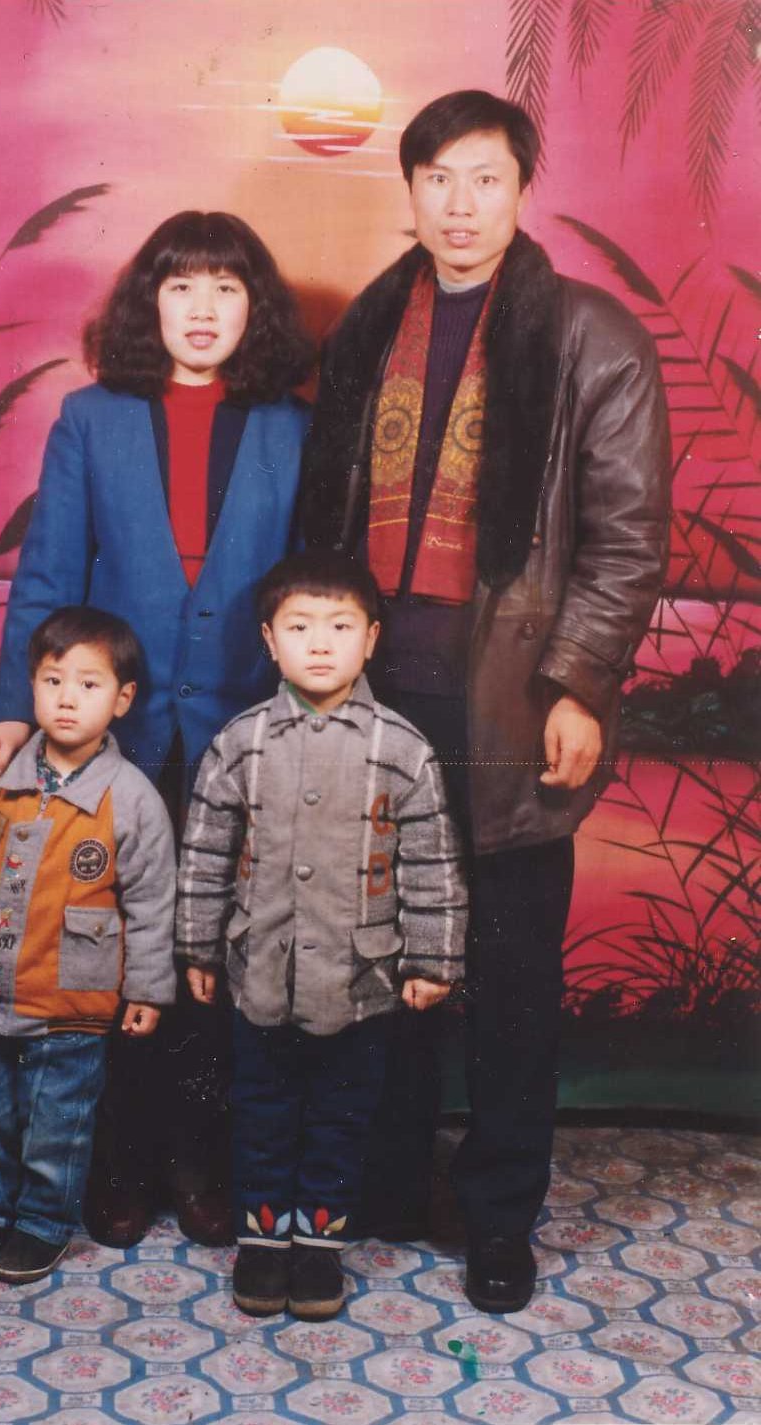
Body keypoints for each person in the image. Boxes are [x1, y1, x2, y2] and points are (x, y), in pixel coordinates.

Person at [302, 90, 671, 1313]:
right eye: (437, 179)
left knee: (509, 980)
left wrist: (577, 685)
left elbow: (626, 540)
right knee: (380, 956)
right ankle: (391, 1182)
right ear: (408, 190)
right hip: (376, 692)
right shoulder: (369, 326)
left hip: (509, 705)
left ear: (519, 191)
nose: (459, 205)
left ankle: (500, 1214)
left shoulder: (588, 336)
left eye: (485, 179)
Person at [0, 211, 313, 1249]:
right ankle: (115, 1157)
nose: (202, 309)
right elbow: (48, 575)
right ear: (147, 303)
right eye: (180, 286)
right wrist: (14, 715)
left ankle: (198, 1159)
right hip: (116, 735)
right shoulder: (91, 418)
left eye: (225, 288)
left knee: (214, 951)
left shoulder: (292, 427)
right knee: (104, 940)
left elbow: (312, 589)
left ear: (254, 308)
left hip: (243, 728)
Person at [176, 550, 467, 1320]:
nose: (319, 643)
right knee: (262, 1112)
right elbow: (205, 852)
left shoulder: (402, 748)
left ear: (370, 639)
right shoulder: (240, 742)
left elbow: (432, 862)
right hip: (260, 974)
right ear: (269, 640)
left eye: (340, 627)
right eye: (299, 626)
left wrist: (433, 957)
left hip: (360, 982)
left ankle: (318, 1245)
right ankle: (263, 1241)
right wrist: (198, 946)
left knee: (341, 1119)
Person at [0, 607, 176, 1284]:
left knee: (58, 1125)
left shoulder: (132, 799)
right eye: (53, 680)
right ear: (31, 685)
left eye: (89, 684)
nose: (66, 698)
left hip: (71, 1006)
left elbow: (152, 903)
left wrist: (148, 989)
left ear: (122, 699)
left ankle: (41, 1222)